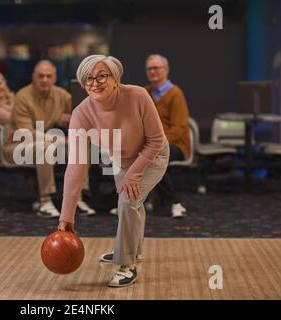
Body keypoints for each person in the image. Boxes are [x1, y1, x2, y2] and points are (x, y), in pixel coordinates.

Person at [58, 55, 169, 287]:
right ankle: (131, 250)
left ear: (115, 78)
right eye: (88, 78)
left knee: (128, 201)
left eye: (101, 76)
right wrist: (65, 218)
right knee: (131, 203)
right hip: (122, 161)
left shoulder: (138, 95)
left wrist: (134, 173)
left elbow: (157, 140)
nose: (94, 83)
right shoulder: (81, 114)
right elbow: (76, 167)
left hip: (153, 157)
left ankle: (126, 265)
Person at [3, 60, 96, 218]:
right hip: (18, 145)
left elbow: (83, 115)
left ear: (54, 78)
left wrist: (71, 119)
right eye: (41, 76)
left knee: (81, 145)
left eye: (48, 76)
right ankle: (44, 201)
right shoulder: (22, 97)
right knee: (44, 147)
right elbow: (27, 133)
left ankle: (76, 199)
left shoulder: (61, 95)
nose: (44, 79)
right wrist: (61, 140)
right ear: (33, 77)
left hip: (49, 143)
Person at [145, 54, 190, 218]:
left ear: (166, 70)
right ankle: (130, 201)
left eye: (156, 68)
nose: (152, 72)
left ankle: (174, 201)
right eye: (149, 69)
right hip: (151, 145)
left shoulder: (175, 93)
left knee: (154, 158)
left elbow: (179, 128)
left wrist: (157, 144)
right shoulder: (145, 92)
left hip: (177, 145)